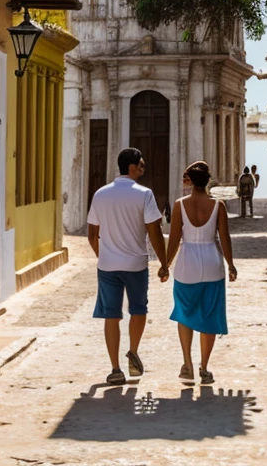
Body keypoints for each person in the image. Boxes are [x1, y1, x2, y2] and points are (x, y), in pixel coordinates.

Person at [87, 147, 169, 386]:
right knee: (138, 309)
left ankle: (115, 368)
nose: (143, 170)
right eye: (141, 166)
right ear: (132, 168)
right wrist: (164, 263)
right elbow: (154, 230)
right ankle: (133, 350)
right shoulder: (144, 194)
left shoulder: (100, 194)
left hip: (108, 266)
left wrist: (103, 255)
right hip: (135, 264)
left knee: (111, 315)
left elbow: (92, 233)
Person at [166, 161, 237, 384]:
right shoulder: (218, 206)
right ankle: (204, 368)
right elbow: (224, 239)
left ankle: (187, 364)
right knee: (209, 316)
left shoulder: (180, 205)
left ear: (190, 182)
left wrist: (165, 265)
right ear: (208, 182)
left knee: (184, 314)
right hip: (212, 264)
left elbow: (175, 239)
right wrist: (231, 264)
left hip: (187, 265)